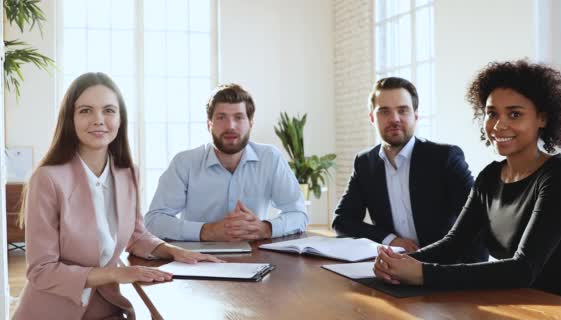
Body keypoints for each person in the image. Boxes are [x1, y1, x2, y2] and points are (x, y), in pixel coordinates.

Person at [373, 60, 561, 306]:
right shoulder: (490, 177)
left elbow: (523, 269)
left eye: (515, 114)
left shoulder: (560, 175)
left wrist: (423, 273)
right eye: (492, 114)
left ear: (542, 118)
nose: (499, 125)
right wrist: (397, 263)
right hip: (516, 305)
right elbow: (454, 244)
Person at [13, 72, 223, 320]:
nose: (98, 120)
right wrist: (116, 273)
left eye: (109, 110)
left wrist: (172, 251)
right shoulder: (47, 179)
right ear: (70, 119)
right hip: (51, 312)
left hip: (107, 308)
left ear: (120, 119)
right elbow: (42, 270)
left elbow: (135, 234)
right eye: (85, 111)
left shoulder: (128, 173)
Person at [332, 77, 486, 262]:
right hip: (394, 268)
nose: (394, 119)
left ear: (416, 115)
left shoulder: (445, 158)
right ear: (373, 118)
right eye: (384, 111)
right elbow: (342, 221)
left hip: (446, 268)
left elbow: (477, 223)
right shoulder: (365, 163)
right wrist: (390, 240)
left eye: (403, 110)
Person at [144, 83, 308, 241]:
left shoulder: (270, 158)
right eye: (221, 117)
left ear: (250, 123)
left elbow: (299, 214)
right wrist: (207, 231)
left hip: (256, 257)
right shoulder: (184, 163)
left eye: (239, 117)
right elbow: (154, 221)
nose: (230, 126)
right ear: (209, 124)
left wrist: (265, 228)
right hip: (196, 261)